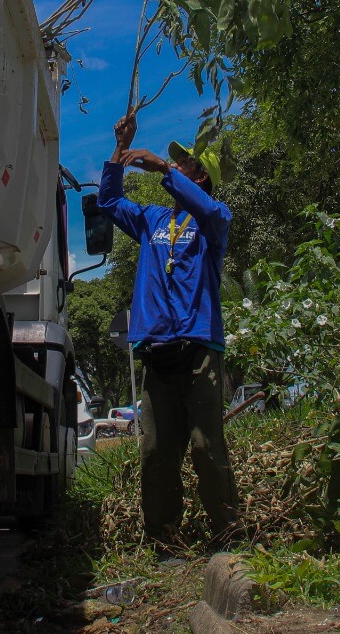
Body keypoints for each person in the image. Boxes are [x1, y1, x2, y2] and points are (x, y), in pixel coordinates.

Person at [98, 113, 240, 542]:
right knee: (156, 452)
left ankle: (229, 538)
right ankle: (164, 541)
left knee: (205, 448)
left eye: (185, 163)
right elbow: (108, 203)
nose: (176, 164)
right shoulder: (153, 221)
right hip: (158, 355)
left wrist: (162, 169)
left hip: (199, 353)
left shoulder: (213, 222)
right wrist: (119, 151)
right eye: (174, 161)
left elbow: (214, 210)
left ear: (201, 177)